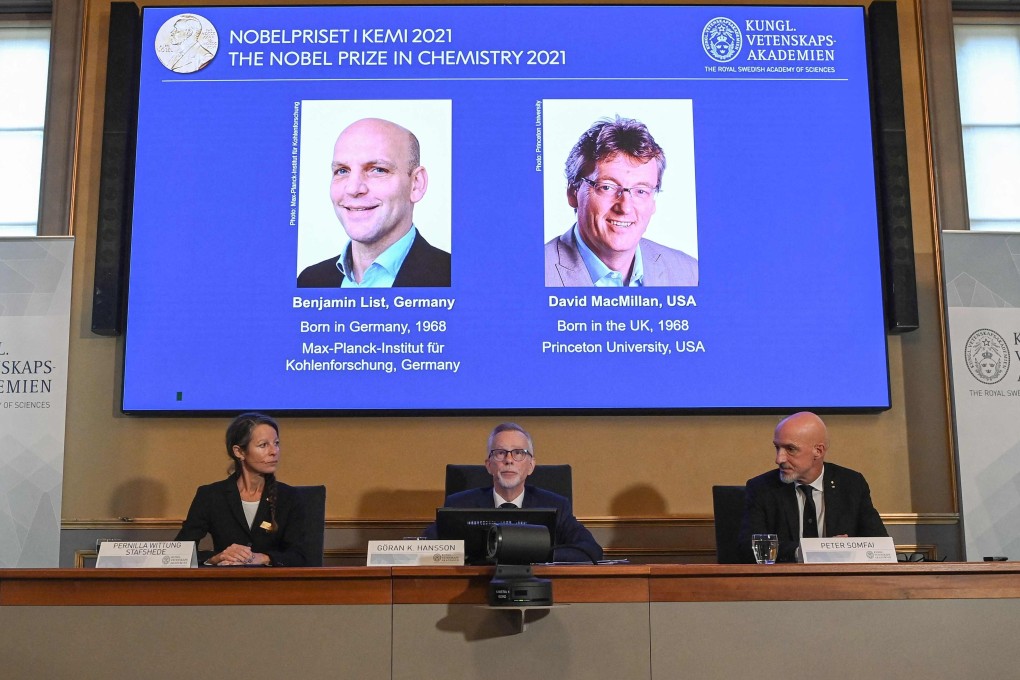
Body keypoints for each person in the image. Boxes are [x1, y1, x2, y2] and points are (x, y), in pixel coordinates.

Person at [545, 116, 698, 287]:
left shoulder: (690, 274)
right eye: (607, 187)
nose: (625, 207)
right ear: (572, 192)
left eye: (641, 190)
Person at [298, 117, 451, 288]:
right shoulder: (309, 281)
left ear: (416, 184)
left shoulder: (453, 278)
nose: (353, 188)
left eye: (378, 170)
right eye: (342, 170)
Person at [424, 423, 603, 563]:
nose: (509, 460)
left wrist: (536, 554)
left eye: (518, 453)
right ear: (489, 465)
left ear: (531, 466)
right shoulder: (459, 504)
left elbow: (590, 550)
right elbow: (425, 548)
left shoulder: (556, 506)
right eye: (500, 453)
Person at [737, 411, 888, 563]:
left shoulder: (851, 484)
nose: (779, 459)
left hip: (839, 582)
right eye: (777, 447)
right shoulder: (762, 488)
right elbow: (748, 548)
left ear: (818, 451)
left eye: (790, 449)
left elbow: (880, 544)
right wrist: (805, 551)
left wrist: (846, 547)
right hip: (784, 583)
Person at [176, 412, 313, 566]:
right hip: (225, 585)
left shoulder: (289, 497)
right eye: (263, 445)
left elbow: (301, 555)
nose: (274, 451)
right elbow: (181, 550)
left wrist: (263, 558)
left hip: (274, 586)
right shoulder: (210, 496)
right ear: (239, 452)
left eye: (276, 443)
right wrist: (216, 558)